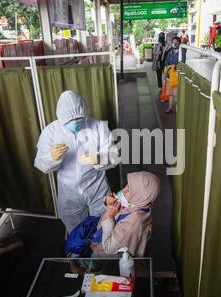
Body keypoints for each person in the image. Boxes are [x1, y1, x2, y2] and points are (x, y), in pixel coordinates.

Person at [34, 90, 118, 232]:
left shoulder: (97, 126)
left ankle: (101, 254)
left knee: (104, 228)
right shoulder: (51, 132)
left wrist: (99, 158)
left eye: (79, 118)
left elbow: (114, 157)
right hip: (69, 193)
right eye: (70, 120)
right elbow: (41, 164)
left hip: (97, 188)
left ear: (85, 112)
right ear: (61, 118)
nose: (75, 123)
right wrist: (51, 157)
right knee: (76, 232)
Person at [65, 171, 161, 257]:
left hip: (105, 261)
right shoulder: (136, 205)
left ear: (140, 196)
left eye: (129, 190)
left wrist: (109, 215)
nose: (123, 190)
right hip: (97, 241)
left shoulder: (134, 222)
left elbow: (109, 248)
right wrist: (108, 204)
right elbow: (118, 216)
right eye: (126, 186)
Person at [163, 36, 181, 113]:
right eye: (173, 42)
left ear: (179, 43)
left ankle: (177, 108)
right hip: (170, 75)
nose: (174, 44)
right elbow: (166, 62)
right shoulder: (170, 51)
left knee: (176, 93)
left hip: (177, 75)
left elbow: (182, 63)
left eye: (175, 42)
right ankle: (170, 107)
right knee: (170, 93)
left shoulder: (181, 52)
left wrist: (174, 66)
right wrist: (168, 67)